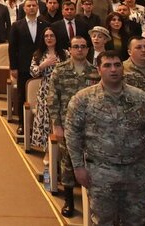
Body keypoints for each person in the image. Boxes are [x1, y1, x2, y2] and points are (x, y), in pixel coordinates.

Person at [65, 51, 145, 226]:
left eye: (117, 65)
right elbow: (72, 134)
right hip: (100, 171)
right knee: (103, 220)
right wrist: (78, 167)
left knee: (136, 221)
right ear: (99, 70)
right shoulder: (83, 100)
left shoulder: (142, 99)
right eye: (107, 65)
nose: (113, 70)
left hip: (134, 172)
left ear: (123, 68)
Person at [45, 35, 98, 217]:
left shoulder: (95, 72)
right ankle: (69, 200)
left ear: (88, 49)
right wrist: (56, 125)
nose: (80, 50)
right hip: (67, 125)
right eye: (76, 46)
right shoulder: (60, 70)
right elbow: (52, 99)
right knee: (68, 163)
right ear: (70, 49)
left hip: (91, 126)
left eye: (83, 46)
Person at [9, 0, 48, 136]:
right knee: (22, 95)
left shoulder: (45, 25)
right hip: (23, 66)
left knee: (41, 95)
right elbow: (12, 48)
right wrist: (13, 67)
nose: (31, 8)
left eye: (34, 6)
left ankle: (40, 125)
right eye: (28, 6)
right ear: (24, 9)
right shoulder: (17, 25)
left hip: (41, 65)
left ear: (38, 7)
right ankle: (22, 124)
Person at [30, 27, 67, 150]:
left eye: (52, 35)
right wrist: (43, 65)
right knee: (46, 118)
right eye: (46, 36)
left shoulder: (65, 53)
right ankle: (47, 149)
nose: (49, 38)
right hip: (46, 89)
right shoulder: (39, 54)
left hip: (62, 90)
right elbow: (33, 73)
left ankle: (61, 149)